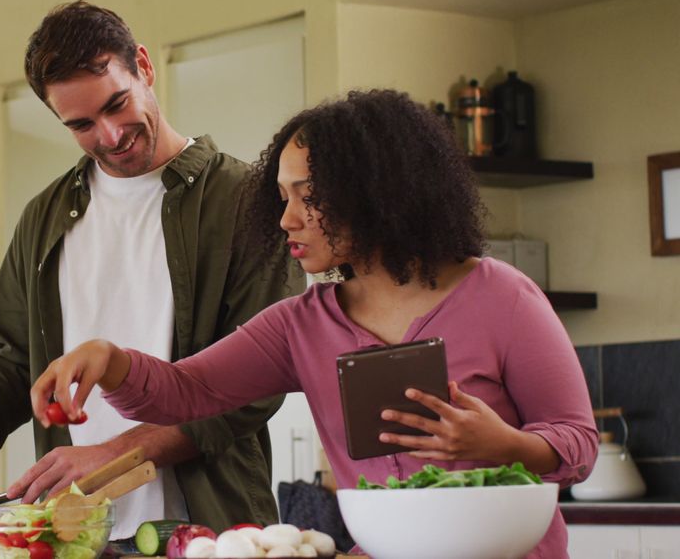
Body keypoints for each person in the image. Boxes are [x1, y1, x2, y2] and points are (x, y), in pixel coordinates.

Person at [31, 89, 598, 558]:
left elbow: (578, 444)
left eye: (309, 196)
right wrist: (110, 359)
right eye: (282, 196)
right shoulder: (300, 325)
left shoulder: (503, 296)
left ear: (377, 193)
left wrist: (503, 444)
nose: (287, 219)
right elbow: (190, 391)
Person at [0, 0, 301, 538]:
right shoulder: (43, 216)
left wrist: (113, 455)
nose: (110, 136)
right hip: (74, 536)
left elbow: (255, 382)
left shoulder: (248, 201)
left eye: (117, 104)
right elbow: (20, 361)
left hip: (211, 530)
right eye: (82, 124)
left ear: (144, 66)